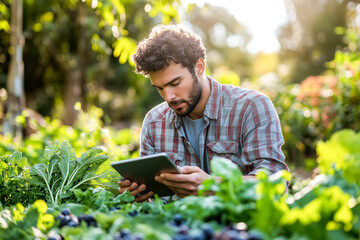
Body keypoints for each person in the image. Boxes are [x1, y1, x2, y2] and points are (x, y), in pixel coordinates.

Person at [118, 24, 289, 202]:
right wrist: (137, 194)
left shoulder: (252, 107)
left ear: (199, 67)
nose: (168, 97)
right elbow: (152, 201)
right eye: (160, 88)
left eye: (175, 83)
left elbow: (275, 185)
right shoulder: (153, 122)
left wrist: (214, 186)